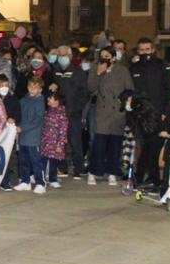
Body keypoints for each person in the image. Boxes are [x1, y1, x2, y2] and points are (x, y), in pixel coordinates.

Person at [87, 46, 134, 186]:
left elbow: (130, 88)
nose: (104, 59)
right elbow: (90, 88)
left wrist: (124, 101)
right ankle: (94, 171)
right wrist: (98, 73)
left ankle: (112, 172)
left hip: (118, 112)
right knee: (99, 143)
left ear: (113, 58)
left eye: (107, 56)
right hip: (102, 111)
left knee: (115, 143)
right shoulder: (95, 69)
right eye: (101, 56)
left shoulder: (122, 70)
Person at [52, 45, 89, 178]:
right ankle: (62, 167)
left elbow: (84, 92)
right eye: (60, 55)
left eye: (65, 55)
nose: (62, 58)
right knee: (59, 141)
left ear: (70, 56)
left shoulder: (78, 72)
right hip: (58, 113)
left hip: (73, 112)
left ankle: (78, 167)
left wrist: (77, 109)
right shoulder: (55, 71)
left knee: (75, 140)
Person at [121, 91, 162, 191]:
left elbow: (144, 112)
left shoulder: (141, 103)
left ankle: (153, 182)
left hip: (154, 133)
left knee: (150, 159)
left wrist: (132, 110)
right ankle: (140, 180)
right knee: (144, 160)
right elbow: (133, 122)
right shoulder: (135, 107)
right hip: (147, 135)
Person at [129, 37, 170, 118]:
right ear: (138, 51)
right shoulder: (133, 68)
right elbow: (130, 90)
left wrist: (166, 111)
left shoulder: (162, 65)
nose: (145, 52)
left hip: (159, 112)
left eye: (147, 49)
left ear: (152, 50)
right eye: (142, 50)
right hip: (139, 113)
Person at [16, 77, 46, 192]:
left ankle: (40, 183)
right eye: (30, 87)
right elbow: (18, 114)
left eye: (35, 88)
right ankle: (25, 181)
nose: (32, 89)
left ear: (40, 90)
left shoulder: (40, 102)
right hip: (22, 137)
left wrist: (22, 127)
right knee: (23, 160)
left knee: (36, 160)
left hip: (33, 138)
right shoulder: (24, 100)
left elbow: (37, 121)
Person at [40, 91, 68, 190]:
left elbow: (63, 130)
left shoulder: (61, 114)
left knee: (53, 162)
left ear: (57, 101)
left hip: (55, 144)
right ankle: (41, 179)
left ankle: (53, 179)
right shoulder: (47, 112)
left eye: (50, 98)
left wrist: (60, 144)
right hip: (45, 142)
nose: (48, 99)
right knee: (43, 161)